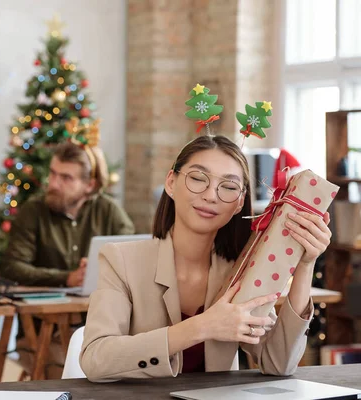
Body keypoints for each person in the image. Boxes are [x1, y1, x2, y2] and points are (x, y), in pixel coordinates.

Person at [80, 135, 331, 381]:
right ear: (170, 183)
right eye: (198, 179)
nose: (211, 195)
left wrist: (305, 263)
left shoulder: (243, 271)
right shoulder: (121, 260)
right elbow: (95, 359)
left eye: (229, 187)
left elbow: (278, 363)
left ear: (239, 203)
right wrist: (203, 326)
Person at [0, 125, 135, 379]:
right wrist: (66, 278)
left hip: (102, 330)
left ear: (89, 184)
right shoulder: (33, 211)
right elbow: (13, 266)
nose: (54, 183)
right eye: (53, 174)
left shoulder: (109, 211)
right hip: (41, 334)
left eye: (66, 178)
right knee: (68, 372)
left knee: (124, 370)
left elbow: (135, 259)